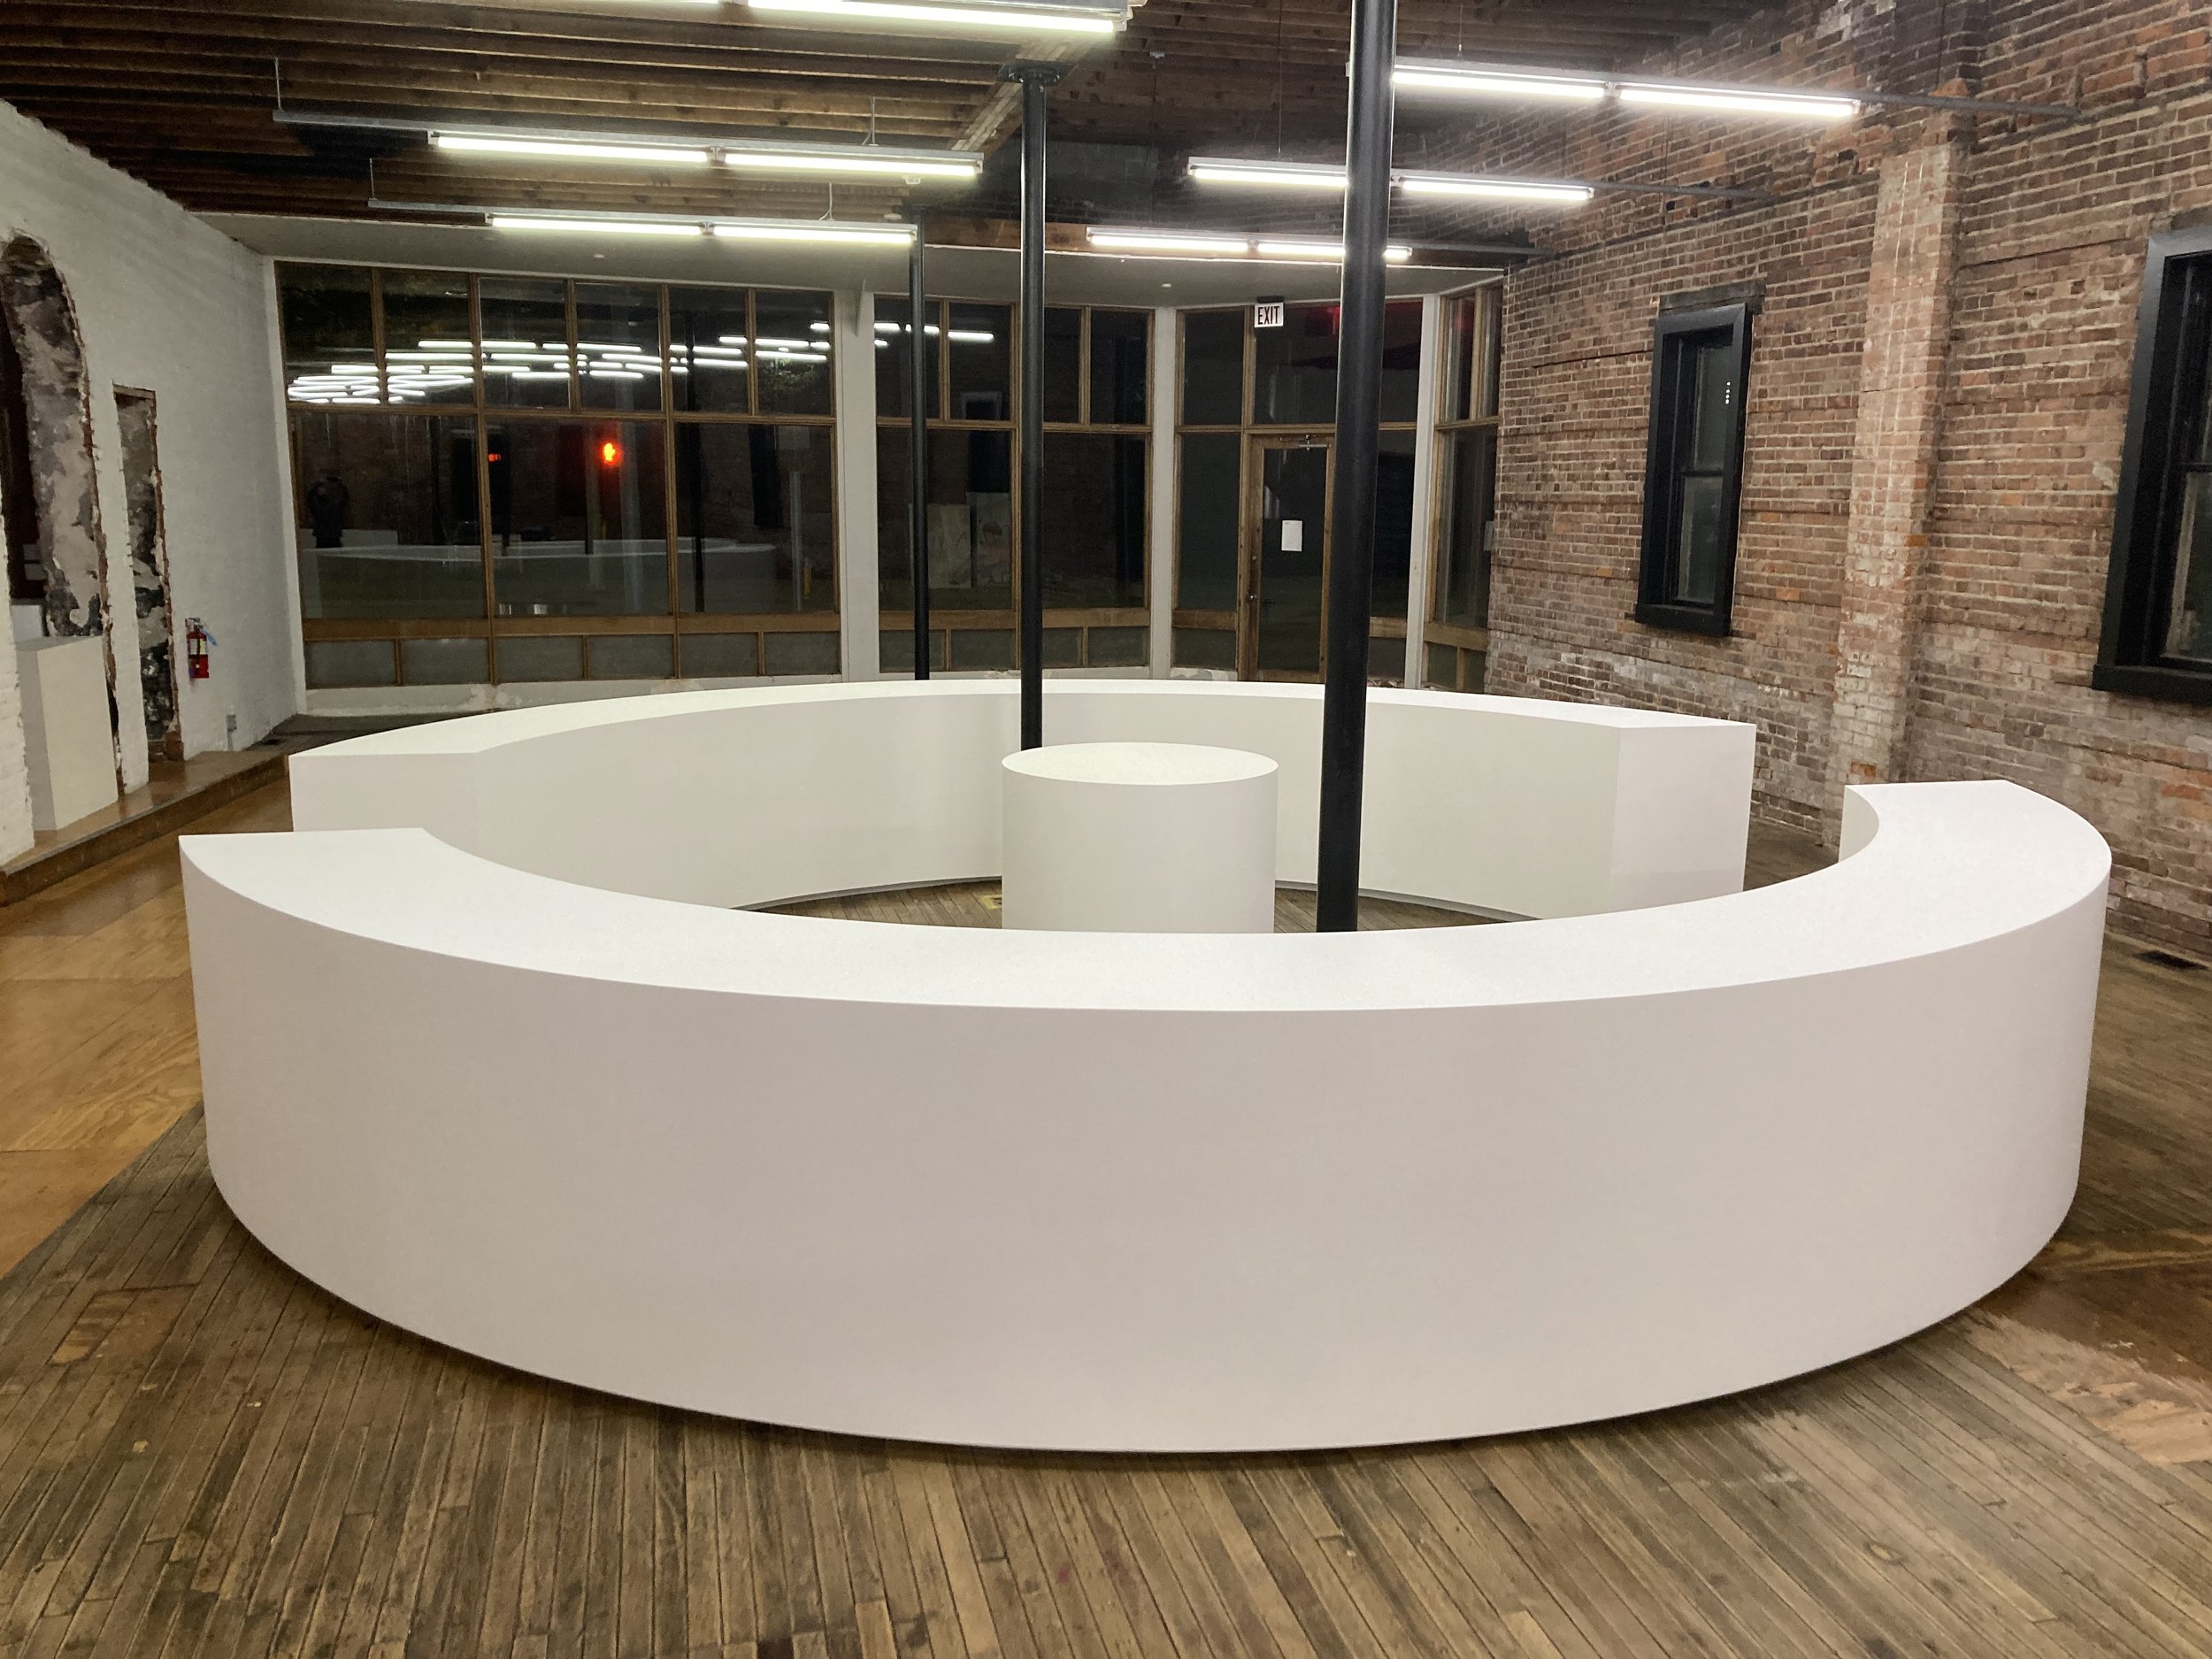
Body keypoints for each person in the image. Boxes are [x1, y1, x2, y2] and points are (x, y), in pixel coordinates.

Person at [304, 472, 349, 549]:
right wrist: (342, 485)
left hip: (324, 537)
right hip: (332, 536)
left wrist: (317, 484)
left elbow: (309, 498)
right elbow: (345, 499)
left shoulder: (318, 509)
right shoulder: (333, 508)